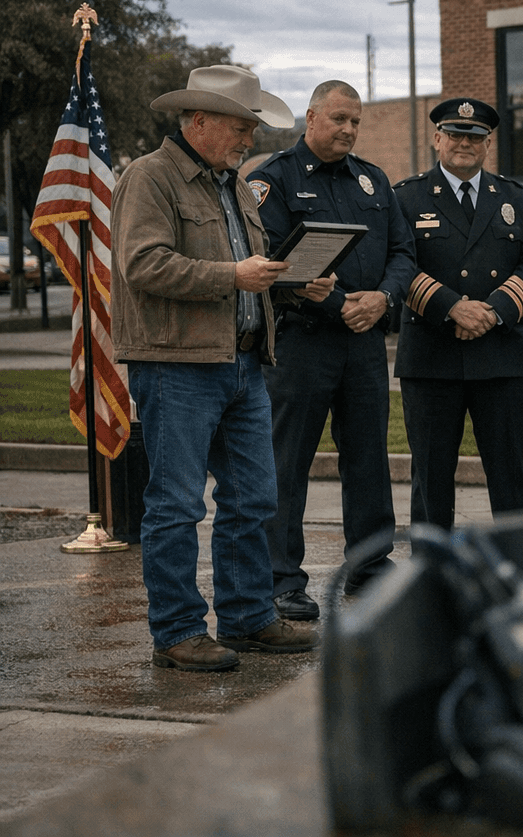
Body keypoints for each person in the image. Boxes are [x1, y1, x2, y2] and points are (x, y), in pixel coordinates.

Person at [114, 65, 319, 671]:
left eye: (251, 130)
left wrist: (292, 283)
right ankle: (177, 631)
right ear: (198, 121)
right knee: (177, 505)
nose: (249, 140)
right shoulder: (149, 177)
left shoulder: (233, 184)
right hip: (176, 365)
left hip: (243, 364)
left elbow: (250, 272)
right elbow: (142, 264)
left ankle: (248, 617)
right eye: (240, 128)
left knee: (253, 499)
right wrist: (234, 276)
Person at [248, 81, 414, 619]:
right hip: (301, 343)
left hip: (363, 342)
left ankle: (370, 567)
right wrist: (341, 304)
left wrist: (383, 299)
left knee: (368, 460)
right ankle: (280, 580)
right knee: (286, 462)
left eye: (356, 121)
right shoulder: (274, 179)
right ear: (312, 117)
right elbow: (272, 263)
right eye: (339, 118)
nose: (348, 129)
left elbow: (403, 251)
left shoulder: (373, 179)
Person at [392, 98, 523, 529]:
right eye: (455, 134)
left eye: (475, 137)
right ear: (437, 139)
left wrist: (492, 312)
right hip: (432, 356)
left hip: (503, 356)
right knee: (431, 478)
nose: (465, 143)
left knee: (512, 477)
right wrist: (452, 307)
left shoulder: (515, 198)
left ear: (488, 144)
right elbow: (397, 263)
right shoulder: (405, 198)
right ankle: (433, 566)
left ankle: (517, 562)